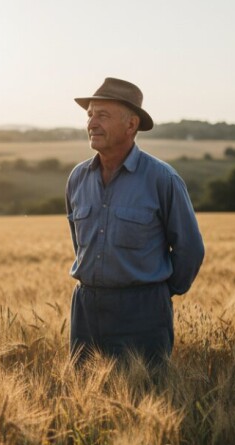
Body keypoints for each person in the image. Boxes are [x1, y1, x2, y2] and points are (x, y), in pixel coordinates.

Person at [65, 77, 205, 367]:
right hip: (86, 309)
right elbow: (79, 243)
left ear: (131, 125)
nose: (92, 123)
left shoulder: (162, 179)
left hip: (142, 311)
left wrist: (157, 294)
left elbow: (189, 249)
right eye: (90, 114)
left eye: (103, 115)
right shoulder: (77, 178)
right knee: (85, 401)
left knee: (146, 396)